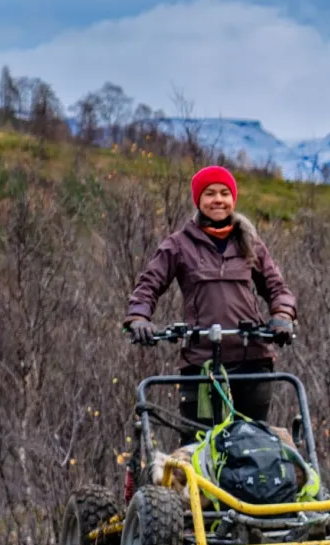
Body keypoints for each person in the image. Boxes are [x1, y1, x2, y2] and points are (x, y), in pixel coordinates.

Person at [125, 165, 297, 429]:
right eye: (210, 193)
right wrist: (139, 317)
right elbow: (149, 284)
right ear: (199, 200)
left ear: (233, 199)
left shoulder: (250, 242)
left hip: (252, 357)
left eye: (225, 193)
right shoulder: (178, 245)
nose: (218, 199)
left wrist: (282, 315)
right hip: (201, 360)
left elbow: (277, 287)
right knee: (198, 443)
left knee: (253, 443)